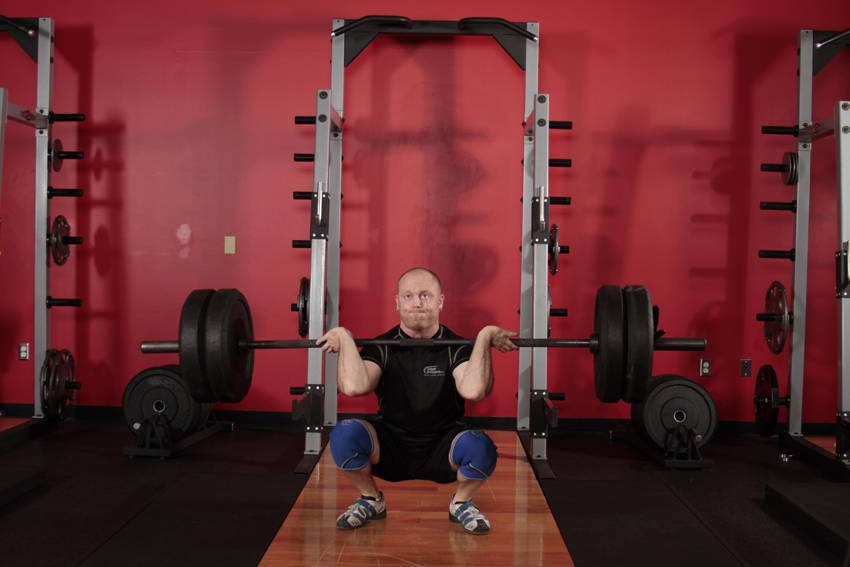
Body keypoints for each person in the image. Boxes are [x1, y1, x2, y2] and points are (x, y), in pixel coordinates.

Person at [317, 267, 517, 535]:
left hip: (444, 447)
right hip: (391, 446)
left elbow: (474, 391)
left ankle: (461, 503)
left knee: (481, 448)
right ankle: (371, 499)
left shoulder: (456, 346)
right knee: (344, 434)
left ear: (440, 301)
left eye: (425, 295)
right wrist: (344, 336)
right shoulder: (383, 346)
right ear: (397, 302)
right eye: (408, 296)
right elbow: (354, 387)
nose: (417, 303)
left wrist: (484, 336)